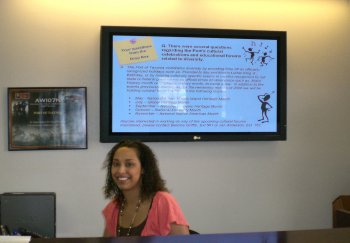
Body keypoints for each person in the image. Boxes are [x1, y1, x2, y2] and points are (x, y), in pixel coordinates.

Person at [102, 140, 190, 237]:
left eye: (129, 164)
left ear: (143, 168)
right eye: (116, 164)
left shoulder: (163, 202)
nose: (121, 170)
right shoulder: (113, 208)